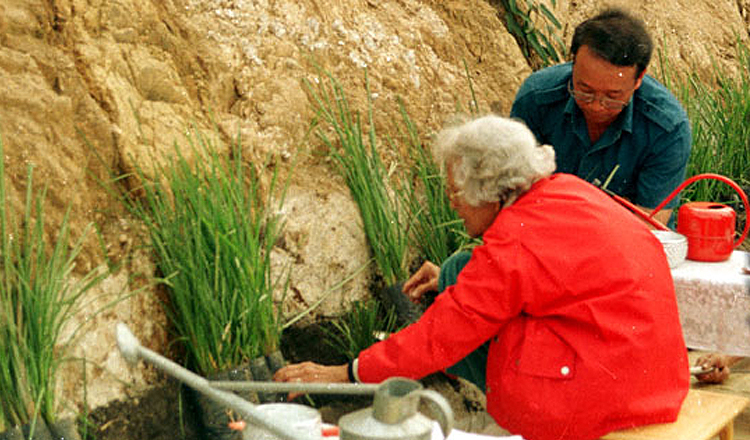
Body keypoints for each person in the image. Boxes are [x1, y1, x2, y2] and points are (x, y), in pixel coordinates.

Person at [275, 115, 690, 440]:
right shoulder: (568, 191)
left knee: (460, 317)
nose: (453, 205)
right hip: (655, 379)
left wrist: (346, 373)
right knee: (460, 271)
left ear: (489, 189)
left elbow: (441, 335)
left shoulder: (514, 240)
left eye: (455, 192)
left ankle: (507, 423)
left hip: (599, 397)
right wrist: (467, 281)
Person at [510, 8, 691, 226]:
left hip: (627, 245)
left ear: (638, 79)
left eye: (612, 97)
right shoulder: (537, 99)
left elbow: (649, 224)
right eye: (584, 90)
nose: (596, 107)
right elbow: (514, 195)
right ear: (573, 64)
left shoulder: (667, 128)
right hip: (545, 230)